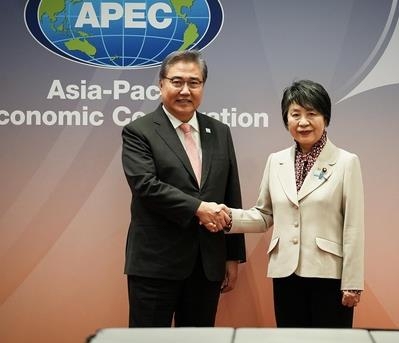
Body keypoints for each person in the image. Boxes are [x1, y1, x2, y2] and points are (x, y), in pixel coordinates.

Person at [223, 80, 364, 328]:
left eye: (312, 114)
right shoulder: (275, 161)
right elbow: (264, 215)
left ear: (326, 118)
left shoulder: (346, 162)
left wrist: (352, 282)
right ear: (286, 119)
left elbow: (353, 227)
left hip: (328, 275)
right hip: (285, 273)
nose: (303, 122)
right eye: (295, 114)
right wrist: (227, 218)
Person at [121, 50, 246, 328]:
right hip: (156, 265)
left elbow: (230, 194)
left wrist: (232, 255)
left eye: (194, 82)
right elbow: (146, 186)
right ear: (161, 84)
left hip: (207, 265)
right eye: (177, 82)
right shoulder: (139, 131)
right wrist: (198, 208)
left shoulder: (220, 131)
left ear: (203, 86)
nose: (185, 90)